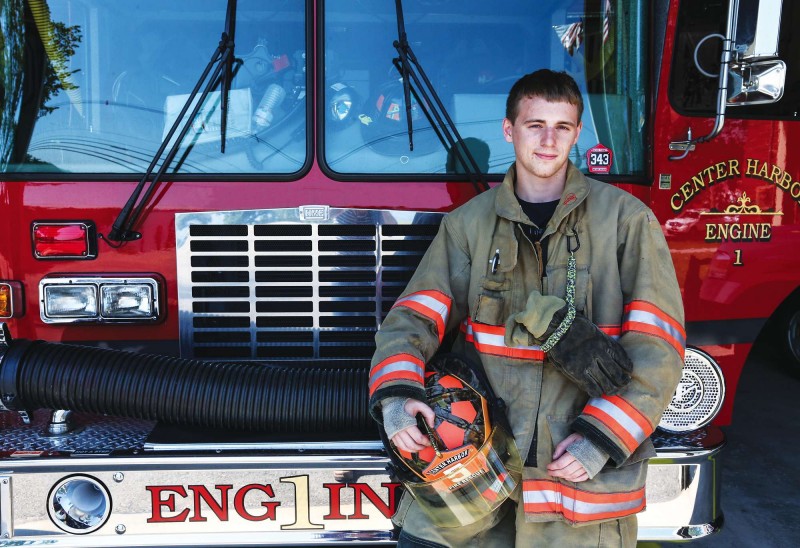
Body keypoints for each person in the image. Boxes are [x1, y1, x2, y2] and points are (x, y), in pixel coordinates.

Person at [368, 69, 686, 547]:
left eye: (562, 127)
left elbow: (657, 347)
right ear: (509, 130)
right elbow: (414, 317)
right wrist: (396, 394)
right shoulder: (467, 226)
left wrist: (601, 436)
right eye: (535, 124)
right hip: (474, 472)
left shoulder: (627, 221)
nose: (548, 140)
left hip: (573, 483)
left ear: (578, 133)